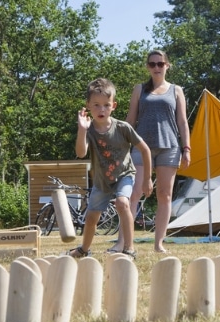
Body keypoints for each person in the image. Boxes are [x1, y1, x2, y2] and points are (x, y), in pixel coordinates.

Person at [117, 49, 191, 254]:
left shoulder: (176, 90)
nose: (156, 67)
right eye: (152, 64)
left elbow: (182, 122)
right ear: (148, 67)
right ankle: (122, 242)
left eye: (160, 64)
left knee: (165, 195)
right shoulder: (139, 89)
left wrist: (187, 148)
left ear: (167, 65)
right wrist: (121, 144)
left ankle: (159, 244)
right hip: (141, 147)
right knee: (133, 194)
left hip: (169, 147)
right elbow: (130, 120)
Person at [69, 78, 152, 260]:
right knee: (91, 218)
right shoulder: (89, 130)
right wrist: (82, 130)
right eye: (96, 105)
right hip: (102, 181)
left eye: (106, 105)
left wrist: (146, 178)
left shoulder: (123, 128)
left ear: (113, 105)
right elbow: (81, 153)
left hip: (124, 175)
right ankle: (83, 249)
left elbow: (145, 150)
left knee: (122, 203)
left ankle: (129, 249)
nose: (101, 110)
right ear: (88, 106)